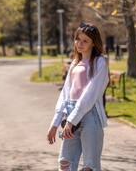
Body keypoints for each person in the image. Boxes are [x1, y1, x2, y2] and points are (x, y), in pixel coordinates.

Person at [46, 23, 109, 171]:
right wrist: (55, 123)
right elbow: (65, 93)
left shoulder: (100, 62)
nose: (80, 44)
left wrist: (71, 120)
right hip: (70, 114)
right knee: (64, 162)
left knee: (89, 166)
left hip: (89, 117)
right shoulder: (75, 62)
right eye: (77, 39)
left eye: (85, 41)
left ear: (94, 43)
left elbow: (90, 94)